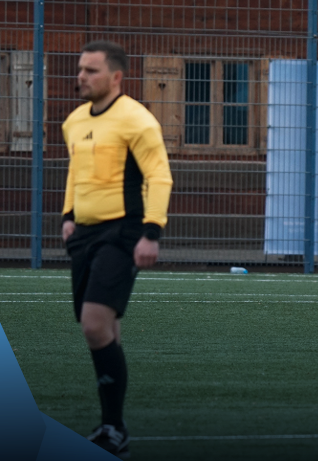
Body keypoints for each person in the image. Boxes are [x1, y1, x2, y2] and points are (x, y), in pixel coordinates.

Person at [61, 41, 173, 458]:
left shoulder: (137, 120)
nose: (82, 77)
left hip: (123, 232)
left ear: (116, 77)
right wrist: (68, 216)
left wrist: (151, 233)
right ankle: (114, 429)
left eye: (91, 70)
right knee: (102, 329)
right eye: (80, 69)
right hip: (85, 235)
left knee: (94, 324)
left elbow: (159, 177)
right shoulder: (73, 121)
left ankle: (113, 427)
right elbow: (75, 172)